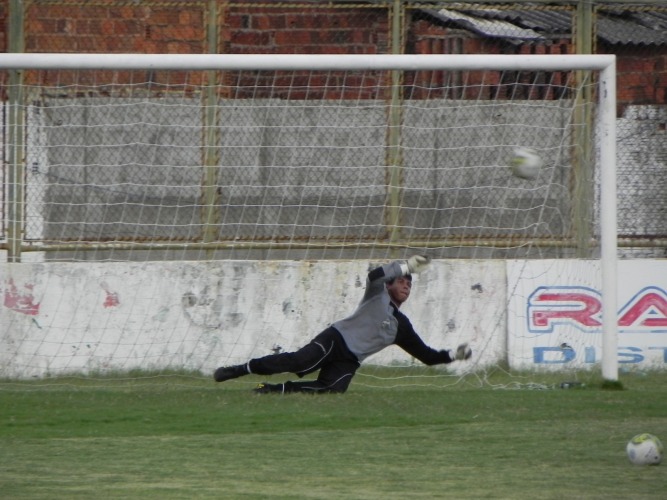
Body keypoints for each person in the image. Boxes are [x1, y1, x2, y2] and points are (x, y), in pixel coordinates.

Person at [213, 256, 472, 394]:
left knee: (332, 389)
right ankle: (240, 369)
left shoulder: (401, 327)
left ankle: (270, 391)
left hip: (350, 359)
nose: (406, 284)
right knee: (298, 362)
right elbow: (375, 275)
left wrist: (453, 355)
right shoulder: (377, 294)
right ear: (390, 285)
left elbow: (426, 356)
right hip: (335, 339)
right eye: (402, 280)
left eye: (410, 283)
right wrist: (408, 265)